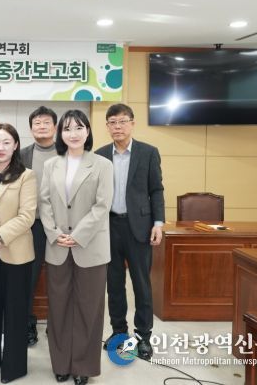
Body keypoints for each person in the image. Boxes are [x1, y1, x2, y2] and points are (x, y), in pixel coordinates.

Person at [39, 110, 113, 385]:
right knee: (58, 308)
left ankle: (83, 366)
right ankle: (61, 363)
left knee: (88, 309)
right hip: (57, 246)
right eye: (67, 128)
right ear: (60, 133)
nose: (73, 133)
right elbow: (44, 202)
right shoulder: (51, 165)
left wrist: (78, 235)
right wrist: (54, 233)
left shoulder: (103, 164)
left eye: (79, 127)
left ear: (88, 131)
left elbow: (102, 205)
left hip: (90, 247)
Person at [96, 103, 165, 360]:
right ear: (107, 126)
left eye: (122, 121)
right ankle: (119, 332)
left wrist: (158, 223)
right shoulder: (100, 155)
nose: (118, 127)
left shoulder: (148, 152)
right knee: (114, 284)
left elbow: (156, 190)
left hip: (139, 227)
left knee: (141, 284)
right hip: (108, 227)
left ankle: (143, 336)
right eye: (112, 122)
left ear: (132, 123)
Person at [0, 123, 36, 384]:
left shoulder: (27, 176)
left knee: (15, 312)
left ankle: (14, 367)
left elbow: (27, 215)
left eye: (6, 142)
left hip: (17, 254)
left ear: (15, 146)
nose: (0, 148)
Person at [19, 105, 58, 347]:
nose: (41, 127)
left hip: (61, 226)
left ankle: (57, 323)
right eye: (37, 123)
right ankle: (27, 323)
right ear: (31, 128)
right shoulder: (22, 155)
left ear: (55, 127)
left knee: (60, 278)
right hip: (31, 225)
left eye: (46, 122)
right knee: (28, 279)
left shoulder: (67, 153)